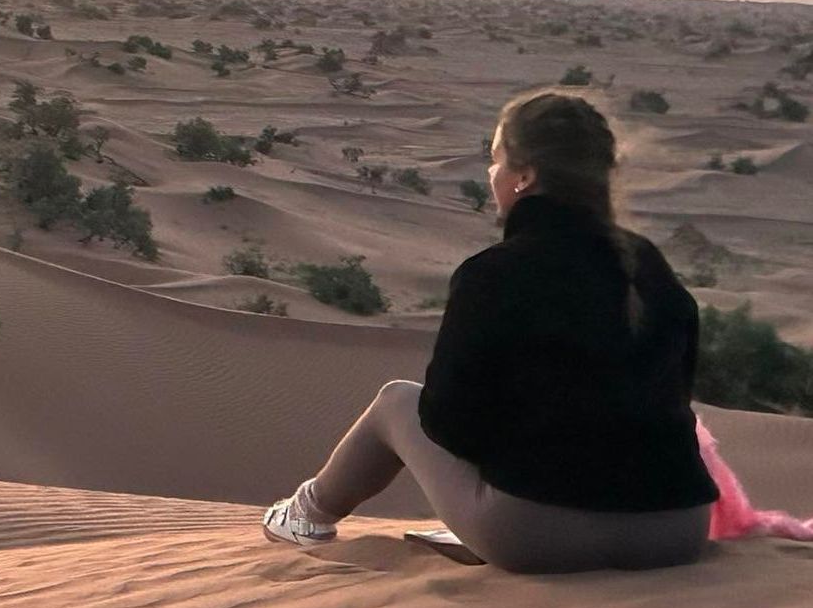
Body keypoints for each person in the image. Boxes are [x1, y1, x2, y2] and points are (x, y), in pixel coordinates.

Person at [263, 90, 720, 574]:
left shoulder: (495, 273)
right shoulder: (647, 265)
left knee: (397, 402)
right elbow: (676, 398)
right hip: (677, 532)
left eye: (496, 159)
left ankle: (304, 516)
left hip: (540, 537)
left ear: (525, 176)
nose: (491, 175)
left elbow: (447, 420)